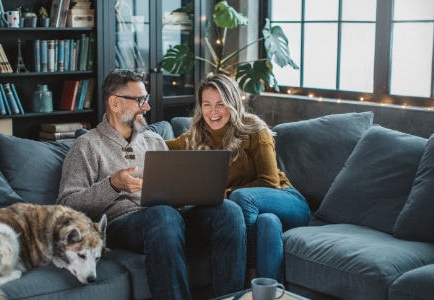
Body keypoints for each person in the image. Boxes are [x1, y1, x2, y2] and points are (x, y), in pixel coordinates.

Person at [57, 69, 246, 300]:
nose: (146, 107)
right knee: (163, 216)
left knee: (229, 211)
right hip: (122, 225)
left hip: (169, 218)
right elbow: (66, 205)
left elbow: (173, 192)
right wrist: (113, 185)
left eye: (145, 99)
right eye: (139, 100)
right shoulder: (86, 146)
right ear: (115, 103)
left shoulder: (154, 140)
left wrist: (186, 194)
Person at [165, 74, 310, 285]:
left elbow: (270, 182)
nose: (213, 112)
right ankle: (270, 294)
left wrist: (230, 192)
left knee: (242, 197)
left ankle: (247, 277)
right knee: (267, 222)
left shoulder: (254, 129)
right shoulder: (194, 137)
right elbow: (157, 148)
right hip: (261, 214)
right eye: (207, 105)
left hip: (287, 200)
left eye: (220, 104)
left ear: (232, 103)